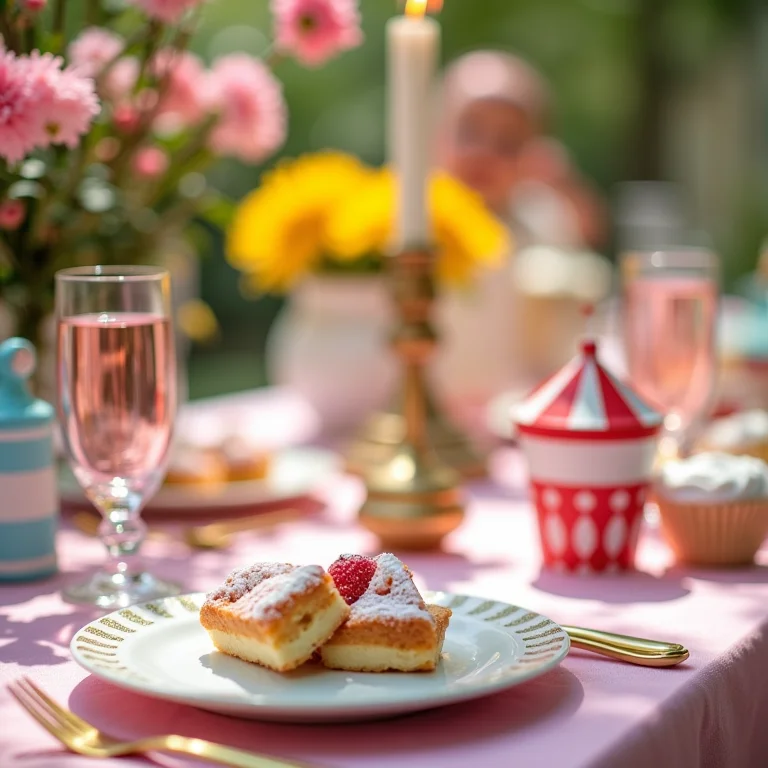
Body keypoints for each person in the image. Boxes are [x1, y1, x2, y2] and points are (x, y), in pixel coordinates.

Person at [431, 50, 610, 430]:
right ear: (435, 134)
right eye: (470, 132)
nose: (485, 152)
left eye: (508, 143)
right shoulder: (415, 222)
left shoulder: (540, 218)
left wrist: (565, 181)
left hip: (516, 411)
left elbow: (590, 249)